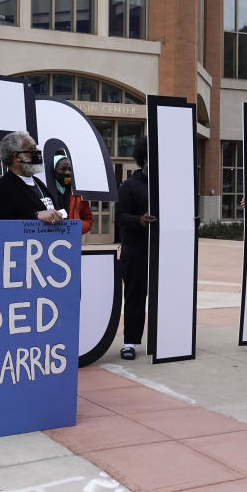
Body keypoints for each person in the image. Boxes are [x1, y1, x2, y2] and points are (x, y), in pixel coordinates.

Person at [116, 139, 156, 360]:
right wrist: (139, 220)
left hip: (161, 250)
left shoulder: (165, 185)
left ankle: (164, 339)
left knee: (163, 297)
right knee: (135, 297)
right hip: (136, 250)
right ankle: (129, 342)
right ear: (142, 160)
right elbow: (120, 217)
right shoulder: (129, 186)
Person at [0, 131, 64, 224]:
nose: (38, 151)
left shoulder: (38, 182)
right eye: (32, 148)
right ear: (18, 156)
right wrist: (35, 215)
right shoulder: (0, 190)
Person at [51, 154, 94, 234]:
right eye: (63, 169)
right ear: (54, 170)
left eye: (69, 169)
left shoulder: (78, 193)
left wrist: (75, 228)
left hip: (72, 241)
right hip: (50, 239)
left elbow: (89, 219)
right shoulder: (45, 191)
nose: (67, 172)